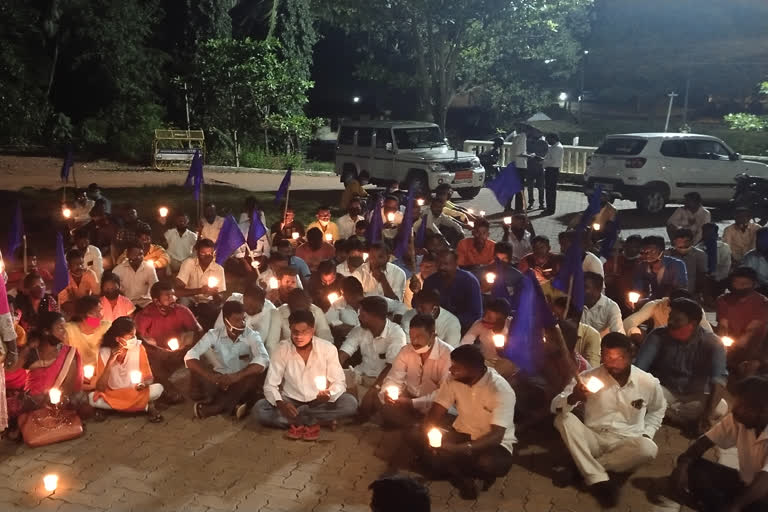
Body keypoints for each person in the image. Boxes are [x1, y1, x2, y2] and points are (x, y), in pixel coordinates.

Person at [551, 333, 667, 507]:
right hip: (594, 437)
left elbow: (658, 409)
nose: (612, 363)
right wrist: (574, 397)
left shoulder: (647, 382)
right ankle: (600, 477)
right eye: (607, 356)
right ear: (601, 354)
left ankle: (585, 469)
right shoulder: (588, 377)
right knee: (563, 420)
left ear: (631, 355)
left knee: (648, 449)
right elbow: (555, 406)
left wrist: (647, 433)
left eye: (619, 357)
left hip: (626, 442)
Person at [415, 344, 516, 500]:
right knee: (414, 434)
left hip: (492, 444)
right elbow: (437, 409)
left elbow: (496, 436)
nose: (450, 370)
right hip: (461, 433)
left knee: (488, 462)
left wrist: (459, 449)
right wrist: (427, 431)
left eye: (456, 367)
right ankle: (465, 476)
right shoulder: (453, 379)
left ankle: (460, 472)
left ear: (474, 369)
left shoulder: (500, 390)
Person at [255, 310, 357, 440]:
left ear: (313, 330)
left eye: (304, 331)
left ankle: (298, 421)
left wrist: (329, 394)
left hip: (319, 401)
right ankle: (318, 422)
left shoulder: (327, 348)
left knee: (350, 403)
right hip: (291, 401)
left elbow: (339, 382)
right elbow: (270, 385)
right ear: (290, 329)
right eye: (295, 332)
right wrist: (282, 404)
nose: (299, 336)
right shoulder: (281, 349)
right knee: (259, 409)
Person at [670, 375, 768, 512]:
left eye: (743, 406)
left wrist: (735, 507)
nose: (735, 410)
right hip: (745, 484)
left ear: (762, 411)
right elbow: (702, 444)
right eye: (737, 402)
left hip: (764, 497)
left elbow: (764, 482)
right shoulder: (738, 419)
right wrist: (682, 466)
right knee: (694, 468)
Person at [635, 297, 728, 435]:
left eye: (677, 320)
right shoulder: (658, 335)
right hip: (664, 390)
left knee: (720, 407)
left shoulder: (713, 342)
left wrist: (707, 416)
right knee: (641, 395)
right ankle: (682, 421)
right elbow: (639, 369)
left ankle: (666, 414)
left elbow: (719, 380)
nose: (670, 323)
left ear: (693, 323)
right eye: (670, 318)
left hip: (695, 396)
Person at [185, 301, 269, 419]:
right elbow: (189, 357)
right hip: (219, 380)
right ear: (226, 321)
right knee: (200, 369)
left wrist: (236, 377)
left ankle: (216, 406)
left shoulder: (252, 335)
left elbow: (264, 359)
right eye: (237, 320)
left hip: (241, 380)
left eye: (243, 319)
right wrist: (210, 377)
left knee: (254, 376)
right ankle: (238, 404)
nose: (242, 324)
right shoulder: (213, 335)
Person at [379, 314, 452, 428]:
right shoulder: (406, 350)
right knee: (386, 408)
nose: (414, 341)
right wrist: (388, 393)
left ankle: (416, 427)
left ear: (433, 335)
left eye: (419, 336)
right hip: (408, 400)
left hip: (433, 406)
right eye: (412, 336)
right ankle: (415, 427)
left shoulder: (448, 355)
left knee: (440, 419)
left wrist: (413, 404)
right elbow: (394, 378)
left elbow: (444, 393)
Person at [339, 296, 407, 419]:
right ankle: (359, 406)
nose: (359, 317)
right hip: (361, 376)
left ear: (374, 317)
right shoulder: (359, 330)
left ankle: (362, 406)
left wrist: (373, 390)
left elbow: (392, 367)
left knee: (386, 399)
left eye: (362, 314)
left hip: (383, 381)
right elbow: (344, 353)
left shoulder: (397, 333)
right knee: (335, 382)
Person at [135, 281, 203, 402]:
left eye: (173, 295)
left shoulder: (182, 310)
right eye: (168, 296)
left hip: (180, 351)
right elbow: (139, 339)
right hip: (158, 355)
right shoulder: (145, 316)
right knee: (149, 362)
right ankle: (170, 390)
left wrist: (188, 346)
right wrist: (159, 351)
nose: (173, 299)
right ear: (156, 301)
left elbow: (198, 331)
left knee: (199, 351)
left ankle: (196, 387)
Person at [89, 317, 163, 422]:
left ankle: (116, 408)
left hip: (134, 391)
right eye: (131, 336)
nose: (134, 339)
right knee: (92, 398)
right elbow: (100, 387)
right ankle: (144, 406)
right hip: (114, 393)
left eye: (134, 335)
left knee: (158, 388)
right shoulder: (104, 353)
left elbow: (149, 378)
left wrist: (143, 384)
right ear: (118, 339)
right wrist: (110, 362)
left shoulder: (139, 348)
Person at [716, 266, 768, 370]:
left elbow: (752, 330)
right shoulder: (723, 300)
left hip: (755, 349)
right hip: (730, 346)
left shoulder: (762, 302)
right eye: (736, 283)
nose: (739, 287)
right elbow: (723, 325)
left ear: (753, 284)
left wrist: (741, 343)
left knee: (750, 367)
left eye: (744, 284)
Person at [423, 250, 483, 332]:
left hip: (465, 328)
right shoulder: (430, 281)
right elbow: (422, 307)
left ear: (455, 263)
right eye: (439, 264)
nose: (441, 267)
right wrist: (416, 292)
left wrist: (451, 323)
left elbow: (476, 314)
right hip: (437, 328)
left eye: (446, 264)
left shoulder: (469, 281)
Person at [459, 299, 517, 379]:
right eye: (484, 314)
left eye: (489, 317)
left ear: (502, 318)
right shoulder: (479, 324)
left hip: (507, 362)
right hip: (486, 361)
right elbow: (464, 344)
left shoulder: (513, 326)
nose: (485, 319)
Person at [175, 238, 225, 327]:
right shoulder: (189, 263)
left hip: (207, 302)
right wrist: (200, 290)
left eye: (210, 254)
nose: (207, 256)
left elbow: (220, 299)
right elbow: (177, 291)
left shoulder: (219, 269)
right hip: (189, 298)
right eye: (203, 253)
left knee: (216, 312)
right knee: (182, 305)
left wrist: (215, 294)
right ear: (197, 253)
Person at [265, 289, 332, 355]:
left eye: (303, 309)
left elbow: (326, 338)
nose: (300, 314)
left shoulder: (316, 311)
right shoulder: (278, 313)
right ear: (289, 305)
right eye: (297, 309)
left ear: (309, 305)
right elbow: (271, 345)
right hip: (286, 354)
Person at [623, 289, 713, 336]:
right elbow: (628, 322)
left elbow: (708, 333)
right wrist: (635, 333)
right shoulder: (656, 305)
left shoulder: (696, 310)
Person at [551, 297, 602, 369]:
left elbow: (592, 370)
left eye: (558, 318)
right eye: (553, 316)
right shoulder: (549, 334)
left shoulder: (591, 334)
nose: (555, 321)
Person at [64, 296, 110, 368]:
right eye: (94, 313)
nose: (100, 316)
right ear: (82, 315)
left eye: (100, 311)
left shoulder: (106, 327)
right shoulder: (69, 330)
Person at [111, 241, 158, 308]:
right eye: (134, 254)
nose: (138, 257)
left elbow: (155, 287)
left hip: (145, 304)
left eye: (140, 254)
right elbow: (115, 291)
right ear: (127, 254)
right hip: (126, 305)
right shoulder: (118, 270)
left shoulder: (149, 268)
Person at [581, 272, 624, 336]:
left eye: (585, 287)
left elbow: (618, 334)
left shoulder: (611, 307)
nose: (580, 290)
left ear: (598, 290)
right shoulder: (574, 303)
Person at [668, 228, 707, 296]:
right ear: (674, 242)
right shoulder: (667, 254)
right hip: (670, 292)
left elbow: (702, 275)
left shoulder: (700, 255)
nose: (683, 248)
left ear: (692, 242)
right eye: (680, 246)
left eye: (686, 245)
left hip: (691, 292)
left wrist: (698, 293)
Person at [541, 133, 564, 215]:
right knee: (549, 190)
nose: (547, 141)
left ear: (553, 138)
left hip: (552, 170)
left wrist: (543, 161)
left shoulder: (557, 148)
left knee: (550, 191)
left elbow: (553, 161)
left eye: (548, 139)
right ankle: (549, 207)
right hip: (550, 169)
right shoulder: (554, 147)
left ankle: (550, 209)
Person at [526, 131, 548, 210]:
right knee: (530, 187)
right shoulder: (527, 142)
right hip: (530, 167)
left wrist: (539, 157)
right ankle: (531, 203)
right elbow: (525, 153)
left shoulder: (543, 143)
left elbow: (546, 154)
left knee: (541, 187)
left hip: (540, 167)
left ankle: (541, 203)